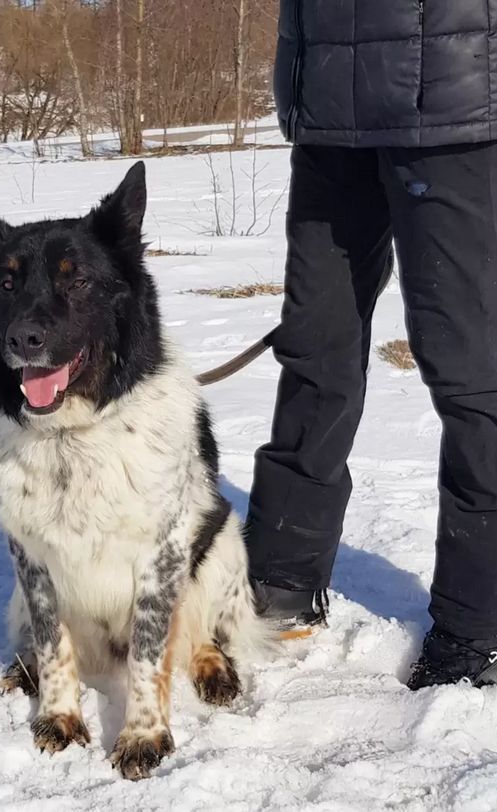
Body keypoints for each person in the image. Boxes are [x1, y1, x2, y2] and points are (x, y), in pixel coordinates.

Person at [246, 3, 497, 690]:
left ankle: (479, 622)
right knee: (313, 351)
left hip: (452, 96)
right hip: (326, 96)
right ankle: (282, 580)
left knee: (469, 369)